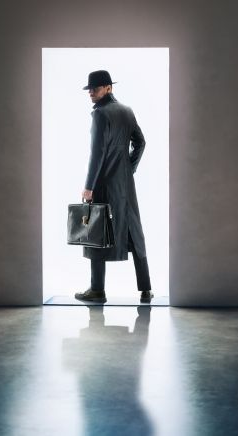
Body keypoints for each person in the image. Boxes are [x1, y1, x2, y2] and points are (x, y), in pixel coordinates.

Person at [74, 70, 153, 304]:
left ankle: (97, 290)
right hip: (126, 184)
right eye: (89, 89)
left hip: (103, 182)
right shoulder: (126, 111)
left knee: (97, 230)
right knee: (133, 230)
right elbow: (141, 142)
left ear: (108, 88)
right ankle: (146, 289)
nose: (91, 92)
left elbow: (97, 154)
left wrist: (89, 186)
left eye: (95, 88)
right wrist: (129, 168)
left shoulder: (101, 114)